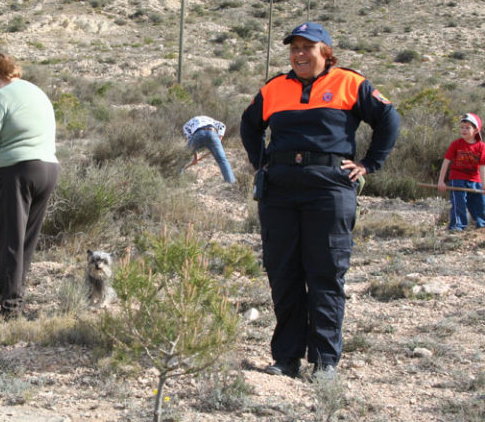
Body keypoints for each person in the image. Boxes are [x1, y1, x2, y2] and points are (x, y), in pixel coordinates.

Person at [240, 22, 400, 378]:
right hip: (279, 191)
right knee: (284, 274)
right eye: (294, 48)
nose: (298, 54)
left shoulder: (350, 82)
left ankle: (325, 362)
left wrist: (369, 164)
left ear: (325, 53)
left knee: (325, 274)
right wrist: (261, 161)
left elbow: (389, 118)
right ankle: (286, 358)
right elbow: (249, 124)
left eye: (306, 48)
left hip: (329, 189)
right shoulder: (274, 87)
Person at [0, 53, 59, 317]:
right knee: (26, 243)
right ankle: (16, 304)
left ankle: (9, 310)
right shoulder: (38, 93)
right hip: (48, 169)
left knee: (9, 241)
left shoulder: (2, 96)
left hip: (15, 171)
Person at [437, 113, 485, 231]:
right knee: (459, 204)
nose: (463, 130)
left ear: (476, 130)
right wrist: (441, 181)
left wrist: (484, 185)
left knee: (479, 203)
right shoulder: (456, 144)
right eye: (462, 127)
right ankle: (457, 226)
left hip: (475, 180)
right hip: (457, 179)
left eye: (467, 127)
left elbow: (482, 166)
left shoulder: (481, 146)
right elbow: (446, 162)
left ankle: (481, 225)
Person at [181, 115, 236, 183]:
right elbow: (222, 126)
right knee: (222, 159)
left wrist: (195, 157)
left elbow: (191, 140)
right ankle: (231, 182)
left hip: (198, 134)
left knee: (182, 158)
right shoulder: (210, 120)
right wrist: (219, 140)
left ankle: (177, 179)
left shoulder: (187, 125)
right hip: (212, 133)